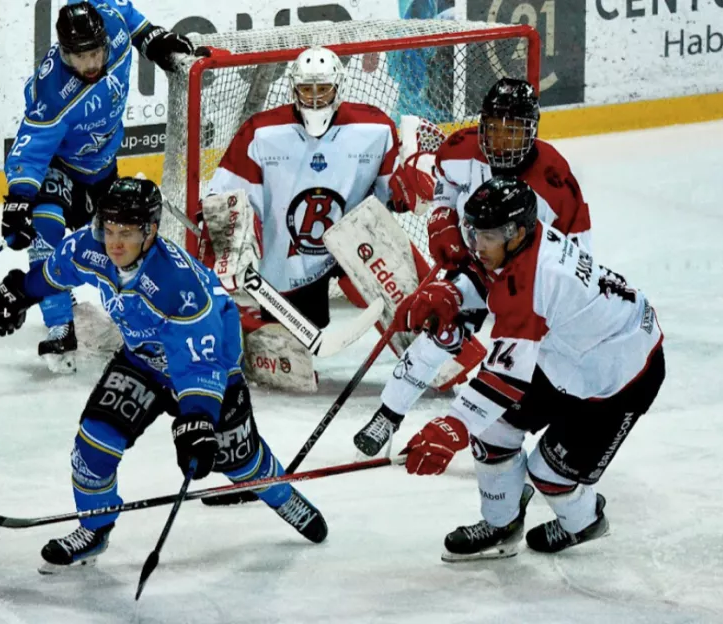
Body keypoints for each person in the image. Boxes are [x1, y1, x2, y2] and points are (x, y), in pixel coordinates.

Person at [0, 177, 328, 570]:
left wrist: (196, 418)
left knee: (239, 461)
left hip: (212, 368)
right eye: (108, 230)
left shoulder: (177, 285)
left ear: (149, 232)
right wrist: (21, 291)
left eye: (126, 233)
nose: (114, 243)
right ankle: (94, 530)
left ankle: (282, 496)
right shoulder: (90, 246)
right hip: (143, 360)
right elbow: (57, 271)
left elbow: (198, 360)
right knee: (93, 444)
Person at [393, 177, 664, 559]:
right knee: (491, 428)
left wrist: (451, 427)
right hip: (569, 353)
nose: (476, 245)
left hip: (621, 376)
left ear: (515, 232)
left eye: (487, 236)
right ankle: (502, 525)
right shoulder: (526, 243)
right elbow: (490, 272)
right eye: (474, 232)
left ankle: (584, 522)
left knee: (548, 473)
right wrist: (453, 292)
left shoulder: (531, 284)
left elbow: (504, 378)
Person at [353, 77, 593, 457]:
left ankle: (506, 435)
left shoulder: (555, 182)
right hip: (478, 262)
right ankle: (389, 413)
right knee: (440, 331)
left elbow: (576, 256)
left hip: (529, 281)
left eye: (512, 131)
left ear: (532, 131)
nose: (500, 141)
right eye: (494, 129)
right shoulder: (460, 150)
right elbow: (444, 191)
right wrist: (443, 223)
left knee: (522, 362)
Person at [200, 45, 433, 392]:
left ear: (338, 89)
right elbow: (225, 200)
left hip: (354, 245)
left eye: (321, 90)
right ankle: (241, 322)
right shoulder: (262, 132)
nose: (313, 99)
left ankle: (433, 349)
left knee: (397, 277)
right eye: (305, 90)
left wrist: (411, 183)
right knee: (287, 368)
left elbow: (393, 198)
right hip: (289, 264)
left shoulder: (375, 128)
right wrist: (232, 247)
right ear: (293, 89)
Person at [0, 0, 205, 374]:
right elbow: (30, 148)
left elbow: (128, 16)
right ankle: (59, 325)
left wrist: (152, 40)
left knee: (122, 241)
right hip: (57, 166)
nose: (92, 64)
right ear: (64, 54)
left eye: (96, 52)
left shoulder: (110, 23)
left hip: (100, 166)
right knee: (44, 231)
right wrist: (19, 199)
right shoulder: (53, 92)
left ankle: (149, 318)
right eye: (81, 58)